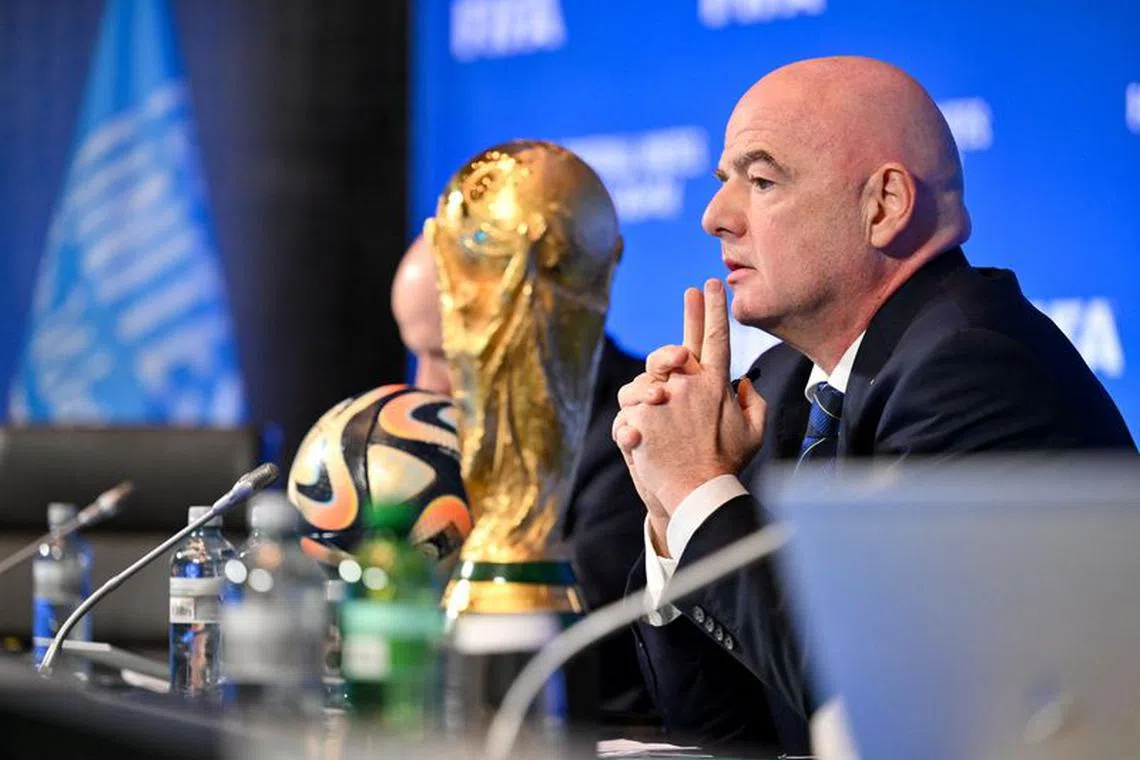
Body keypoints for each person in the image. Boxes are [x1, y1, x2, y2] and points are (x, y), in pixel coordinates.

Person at [612, 56, 1137, 753]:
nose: (715, 217)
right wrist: (669, 511)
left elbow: (888, 707)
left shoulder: (974, 365)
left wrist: (700, 493)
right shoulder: (782, 384)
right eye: (723, 183)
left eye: (762, 181)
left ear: (884, 206)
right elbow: (728, 732)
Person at [391, 234, 654, 718]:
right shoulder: (453, 444)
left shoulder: (635, 426)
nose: (424, 385)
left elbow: (562, 633)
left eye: (445, 356)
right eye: (416, 354)